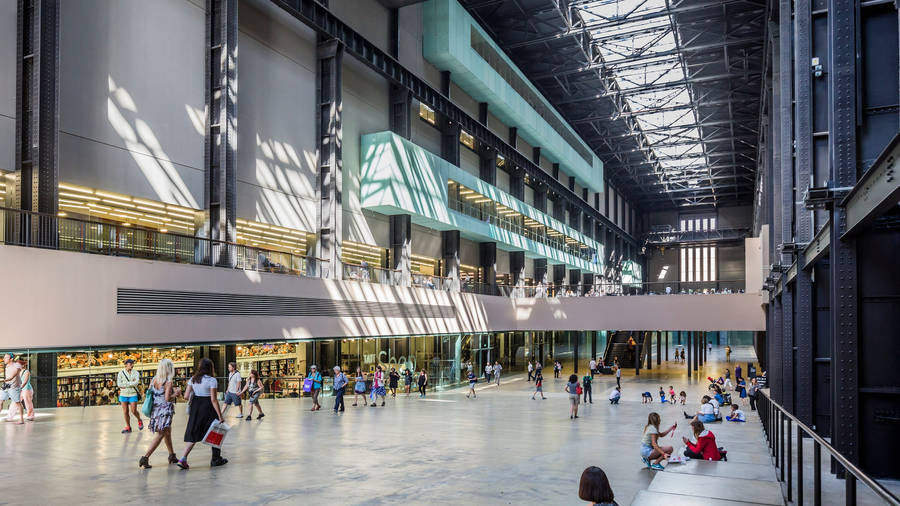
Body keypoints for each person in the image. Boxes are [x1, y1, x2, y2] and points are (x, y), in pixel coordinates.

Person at [177, 358, 227, 469]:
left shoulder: (193, 379)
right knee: (216, 432)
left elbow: (185, 396)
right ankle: (215, 459)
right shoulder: (212, 380)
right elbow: (213, 400)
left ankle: (183, 458)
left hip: (196, 407)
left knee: (194, 433)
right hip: (208, 408)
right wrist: (220, 416)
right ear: (210, 368)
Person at [139, 358, 181, 469]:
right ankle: (145, 457)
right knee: (161, 433)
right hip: (164, 410)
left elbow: (149, 392)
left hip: (155, 409)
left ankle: (172, 455)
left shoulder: (154, 380)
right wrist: (176, 393)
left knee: (168, 431)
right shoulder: (168, 382)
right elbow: (167, 399)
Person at [117, 358, 143, 433]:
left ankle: (139, 420)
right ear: (126, 365)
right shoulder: (121, 373)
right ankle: (128, 427)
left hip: (133, 394)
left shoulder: (136, 373)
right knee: (125, 412)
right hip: (123, 394)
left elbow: (136, 383)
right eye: (130, 364)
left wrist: (125, 384)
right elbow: (119, 384)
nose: (132, 365)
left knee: (134, 411)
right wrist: (131, 383)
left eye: (133, 364)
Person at [1, 353, 23, 424]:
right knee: (0, 401)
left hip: (14, 387)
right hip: (6, 386)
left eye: (6, 357)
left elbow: (11, 377)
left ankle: (21, 419)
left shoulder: (17, 365)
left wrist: (1, 380)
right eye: (4, 357)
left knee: (17, 403)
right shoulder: (6, 365)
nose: (4, 359)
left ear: (11, 359)